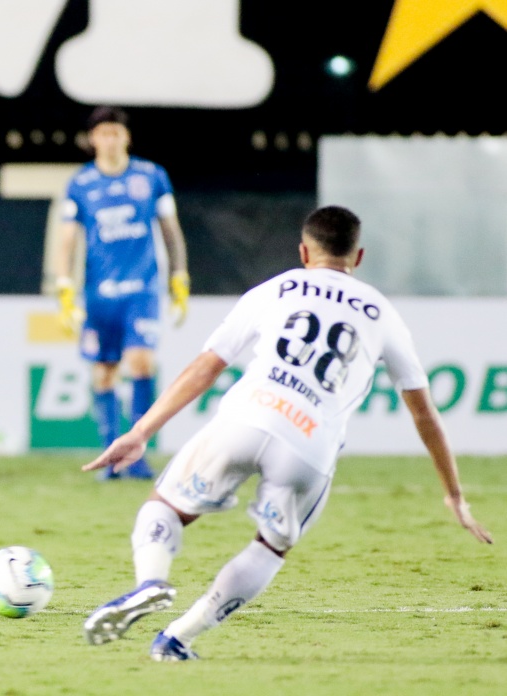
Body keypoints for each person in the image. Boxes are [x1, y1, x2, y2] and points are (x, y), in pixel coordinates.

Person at [81, 205, 493, 660]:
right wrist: (454, 494)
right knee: (270, 547)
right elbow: (424, 414)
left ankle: (150, 582)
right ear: (358, 257)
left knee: (167, 507)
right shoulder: (383, 313)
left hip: (246, 416)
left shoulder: (275, 288)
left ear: (303, 251)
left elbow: (205, 368)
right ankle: (178, 638)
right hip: (310, 445)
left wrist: (140, 431)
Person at [54, 105, 190, 481]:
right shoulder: (81, 184)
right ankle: (111, 456)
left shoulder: (151, 176)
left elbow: (170, 228)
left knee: (142, 363)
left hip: (142, 289)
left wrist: (179, 275)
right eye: (103, 133)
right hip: (98, 294)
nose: (110, 139)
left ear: (126, 137)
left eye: (116, 132)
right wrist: (63, 284)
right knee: (103, 374)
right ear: (93, 139)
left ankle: (138, 454)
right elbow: (67, 238)